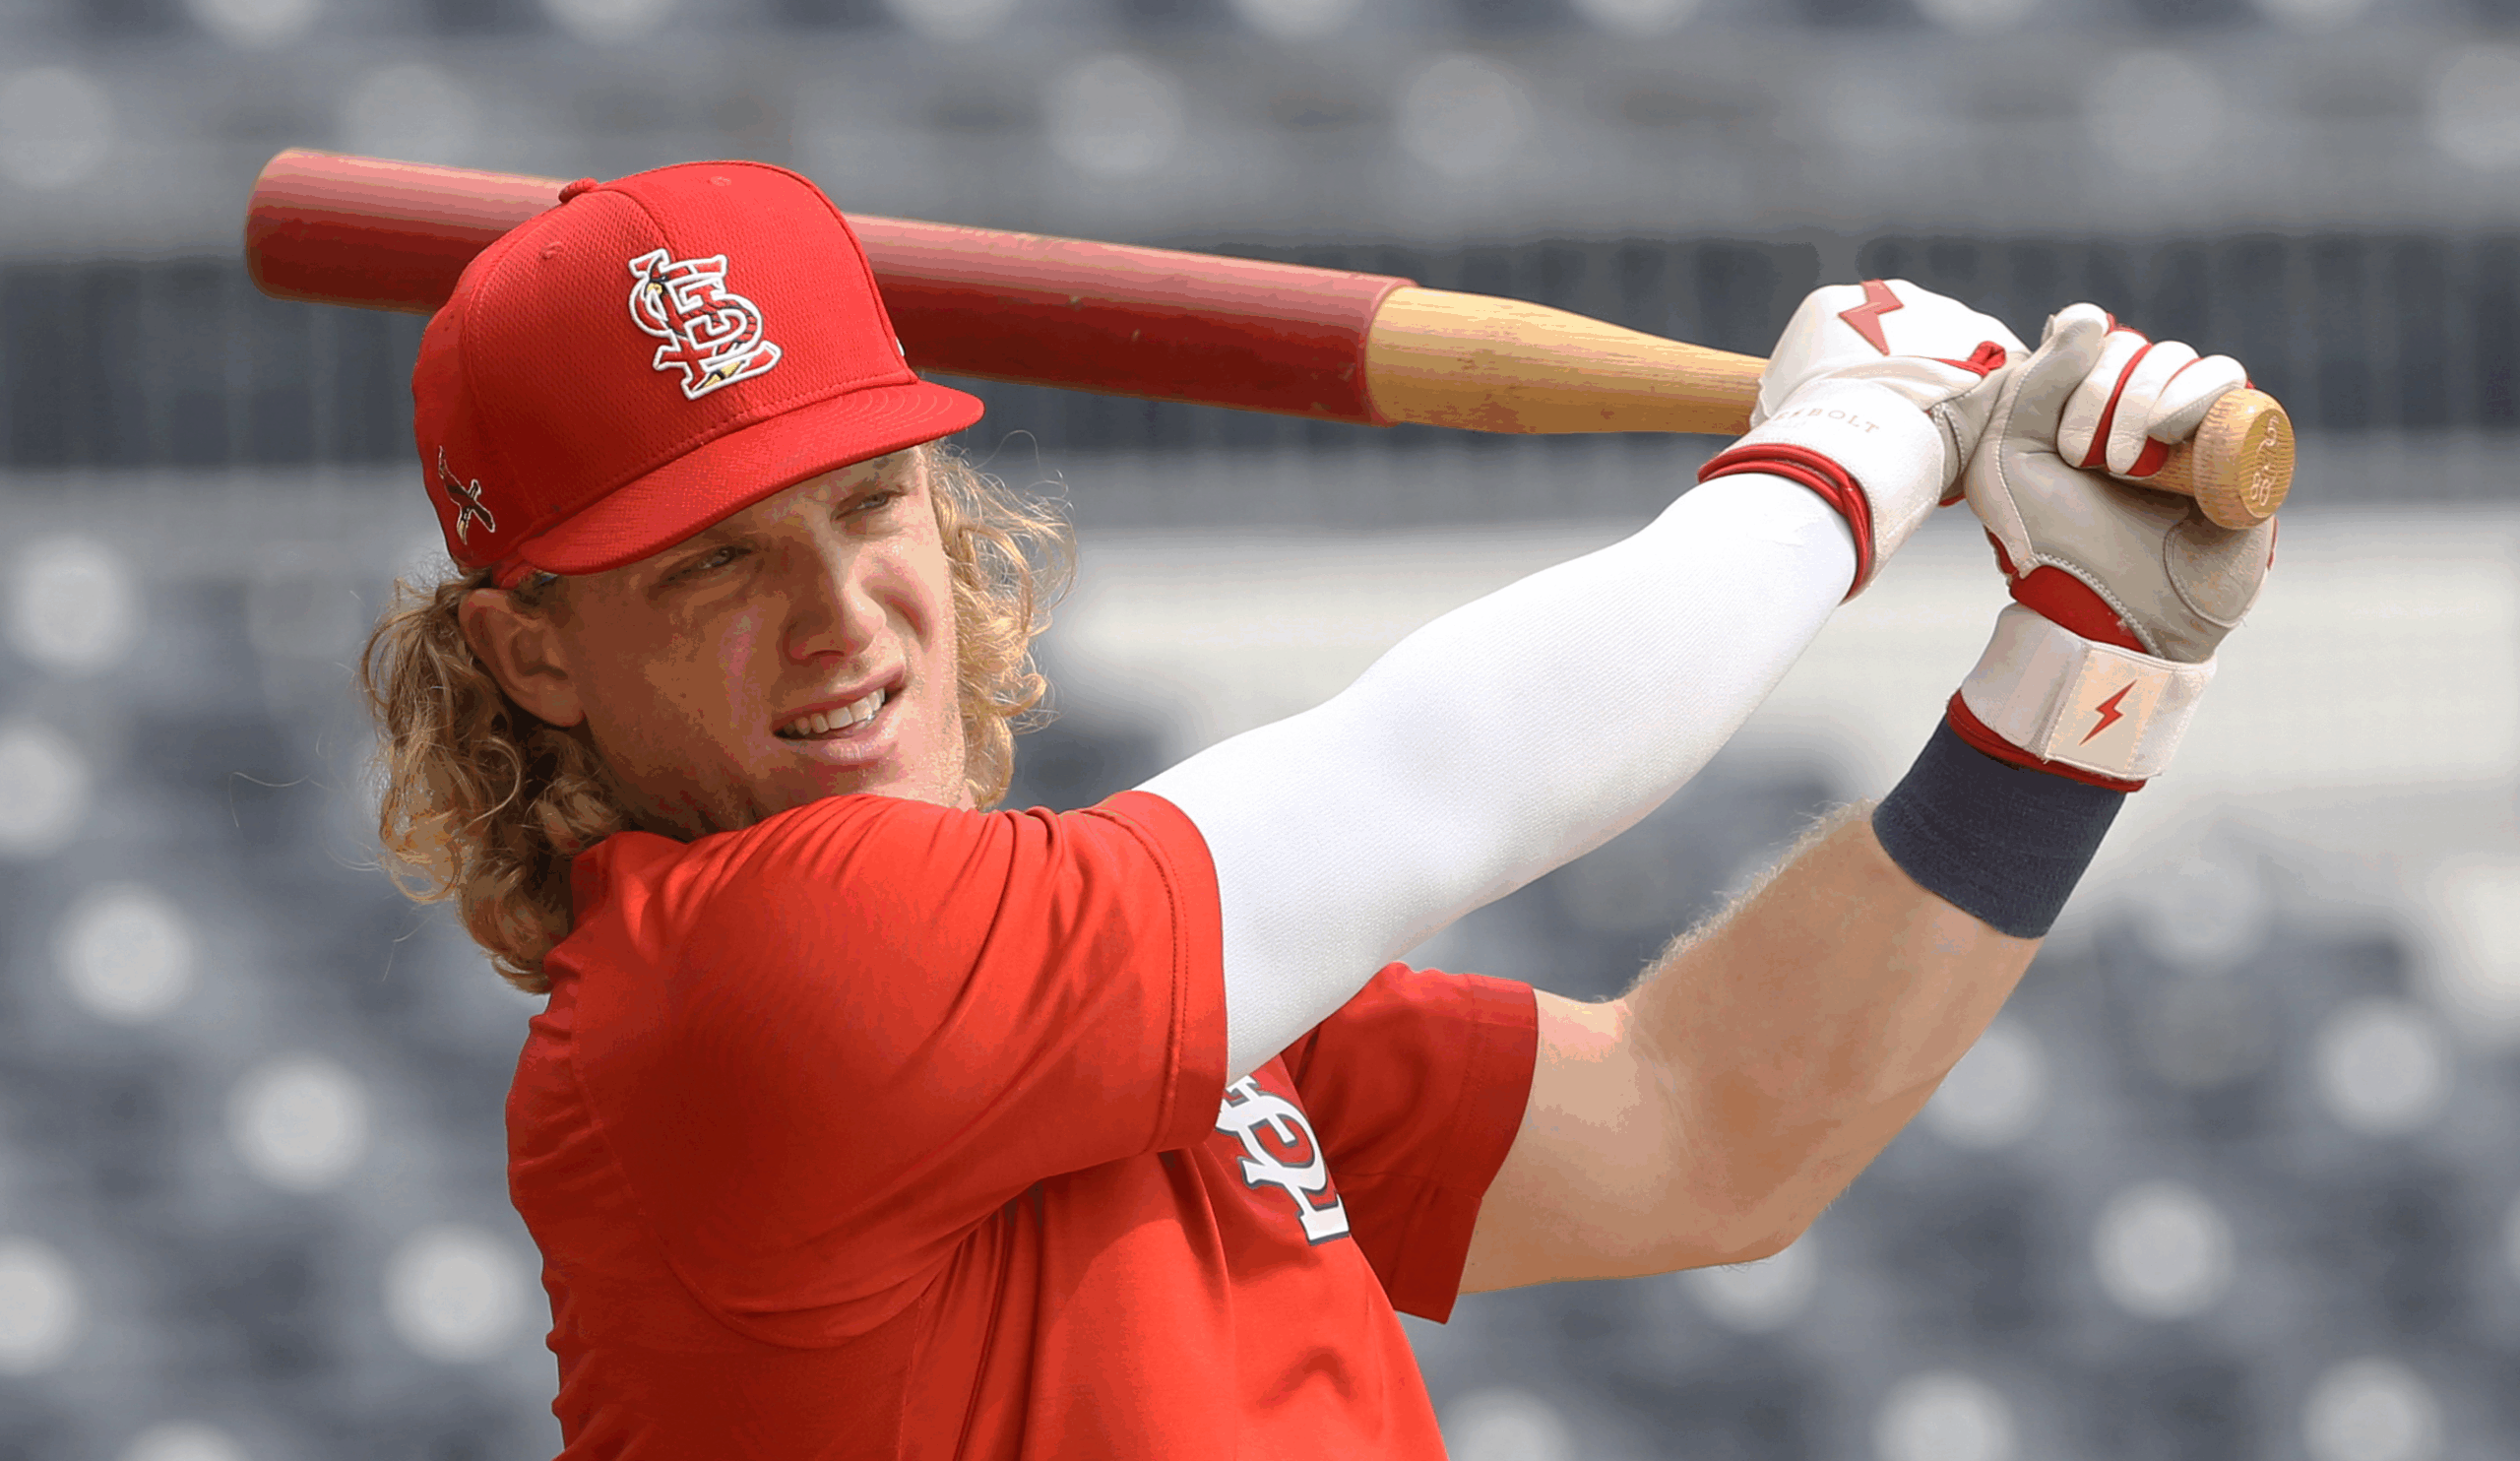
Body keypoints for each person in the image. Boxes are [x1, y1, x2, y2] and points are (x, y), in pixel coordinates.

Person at [360, 160, 2270, 1460]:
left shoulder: (1063, 987)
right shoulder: (747, 983)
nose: (840, 614)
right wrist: (1840, 453)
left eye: (868, 506)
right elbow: (1432, 780)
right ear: (532, 658)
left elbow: (1695, 1134)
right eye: (710, 564)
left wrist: (2080, 680)